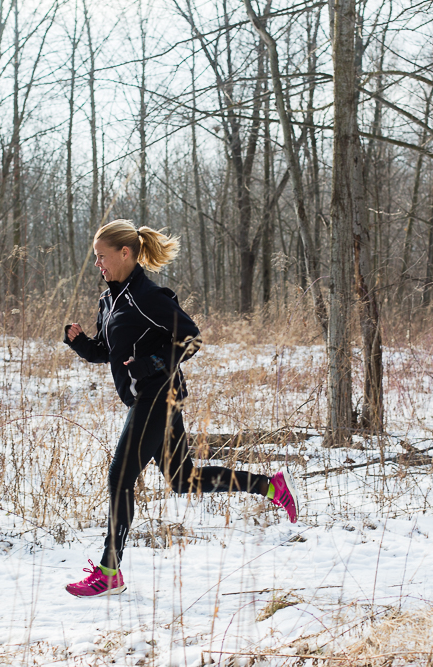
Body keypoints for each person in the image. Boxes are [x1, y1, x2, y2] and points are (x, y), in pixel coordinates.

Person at [62, 219, 301, 598]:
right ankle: (269, 486)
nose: (98, 265)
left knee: (120, 476)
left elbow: (191, 338)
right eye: (96, 258)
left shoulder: (148, 296)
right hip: (148, 398)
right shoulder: (110, 300)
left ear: (125, 253)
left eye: (102, 257)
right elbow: (109, 353)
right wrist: (80, 343)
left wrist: (150, 366)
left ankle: (109, 572)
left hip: (158, 395)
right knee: (183, 480)